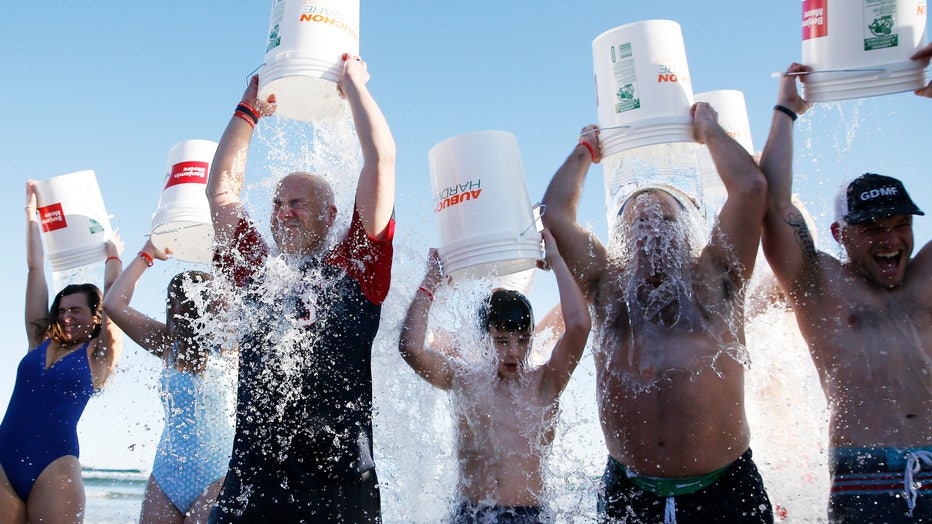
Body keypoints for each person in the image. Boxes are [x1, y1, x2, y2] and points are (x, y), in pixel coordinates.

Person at [542, 103, 773, 523]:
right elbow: (554, 216)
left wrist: (708, 129)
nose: (652, 234)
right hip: (630, 492)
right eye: (637, 225)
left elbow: (751, 188)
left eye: (664, 221)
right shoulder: (607, 290)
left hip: (725, 490)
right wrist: (586, 150)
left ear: (688, 233)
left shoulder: (717, 280)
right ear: (622, 241)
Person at [206, 53, 395, 523]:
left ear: (331, 216)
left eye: (297, 203)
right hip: (252, 488)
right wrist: (247, 111)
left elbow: (380, 159)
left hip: (342, 491)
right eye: (277, 202)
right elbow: (221, 193)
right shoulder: (258, 270)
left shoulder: (358, 267)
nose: (283, 211)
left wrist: (353, 85)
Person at [759, 51, 932, 521]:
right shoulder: (820, 285)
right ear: (840, 235)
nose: (891, 239)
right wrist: (786, 111)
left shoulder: (925, 278)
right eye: (873, 229)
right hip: (864, 476)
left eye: (900, 225)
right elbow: (772, 206)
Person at [398, 230, 590, 523]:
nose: (513, 353)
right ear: (483, 340)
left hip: (529, 516)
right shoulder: (463, 380)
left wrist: (556, 259)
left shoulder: (545, 384)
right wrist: (430, 281)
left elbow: (578, 326)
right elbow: (411, 347)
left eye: (522, 340)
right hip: (471, 514)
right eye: (501, 341)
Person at [0, 180, 124, 523]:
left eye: (76, 311)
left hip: (55, 466)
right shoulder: (39, 339)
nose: (66, 317)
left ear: (94, 316)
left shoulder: (99, 354)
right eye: (62, 310)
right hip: (3, 461)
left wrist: (113, 255)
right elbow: (35, 268)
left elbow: (114, 296)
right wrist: (30, 212)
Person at [102, 238, 236, 524]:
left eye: (185, 298)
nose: (176, 305)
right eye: (172, 298)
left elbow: (236, 295)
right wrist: (146, 255)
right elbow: (113, 304)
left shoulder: (230, 346)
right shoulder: (167, 344)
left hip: (218, 471)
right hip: (167, 472)